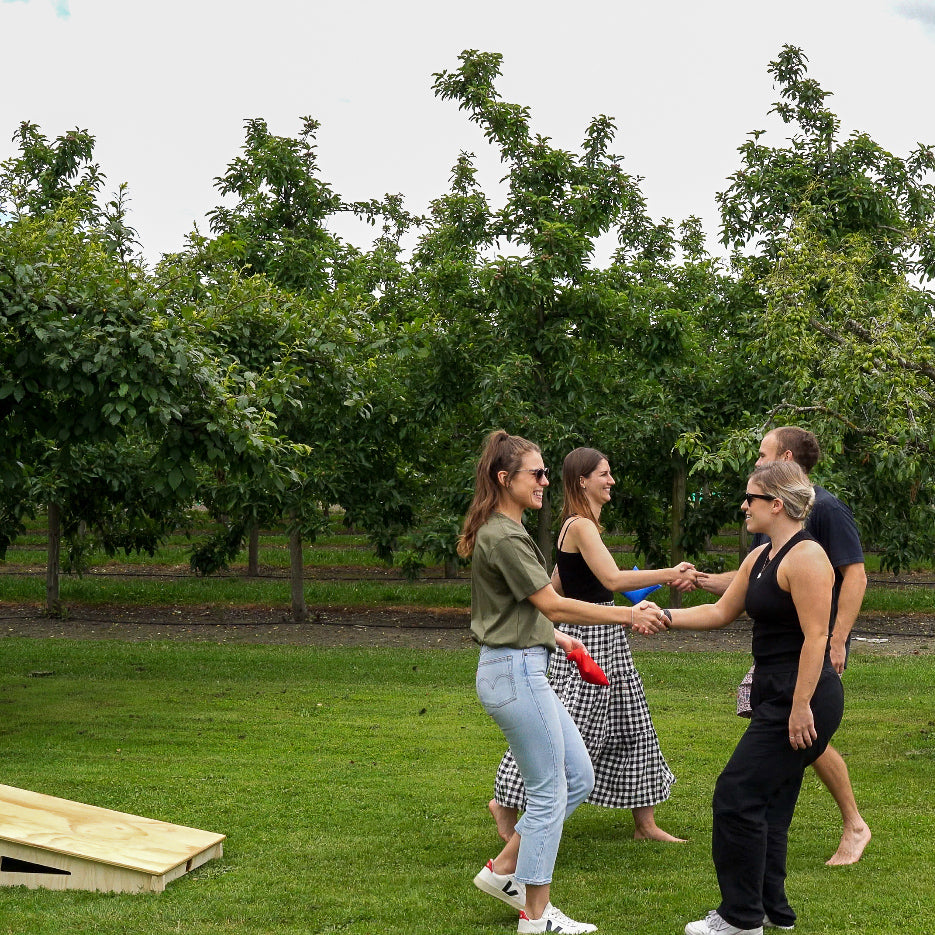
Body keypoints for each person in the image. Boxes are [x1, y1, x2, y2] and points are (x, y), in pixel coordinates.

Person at [460, 430, 666, 935]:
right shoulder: (504, 535)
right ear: (505, 479)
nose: (546, 482)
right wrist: (625, 615)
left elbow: (520, 609)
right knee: (551, 790)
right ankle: (536, 917)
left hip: (523, 664)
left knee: (578, 777)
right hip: (514, 673)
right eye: (537, 473)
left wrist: (562, 641)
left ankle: (504, 868)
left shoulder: (507, 530)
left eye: (547, 472)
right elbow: (551, 601)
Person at [665, 461, 845, 935]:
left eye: (752, 498)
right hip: (774, 687)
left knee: (736, 793)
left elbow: (815, 637)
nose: (744, 506)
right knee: (771, 801)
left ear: (777, 504)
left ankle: (740, 919)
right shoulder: (763, 555)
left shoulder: (806, 558)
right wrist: (661, 616)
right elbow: (721, 611)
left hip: (802, 693)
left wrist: (800, 705)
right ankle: (770, 911)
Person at [488, 447, 695, 847]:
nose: (611, 480)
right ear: (583, 480)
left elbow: (556, 584)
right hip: (591, 637)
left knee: (635, 726)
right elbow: (613, 580)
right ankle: (505, 801)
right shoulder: (579, 525)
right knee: (564, 728)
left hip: (606, 635)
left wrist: (548, 620)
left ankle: (645, 823)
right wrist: (673, 572)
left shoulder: (578, 527)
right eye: (605, 473)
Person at [697, 426, 870, 866]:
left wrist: (836, 640)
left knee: (794, 743)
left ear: (785, 460)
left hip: (808, 656)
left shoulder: (824, 510)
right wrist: (695, 585)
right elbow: (752, 585)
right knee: (782, 765)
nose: (755, 462)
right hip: (776, 663)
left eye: (762, 454)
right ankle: (771, 902)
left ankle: (853, 823)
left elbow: (855, 576)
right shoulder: (767, 526)